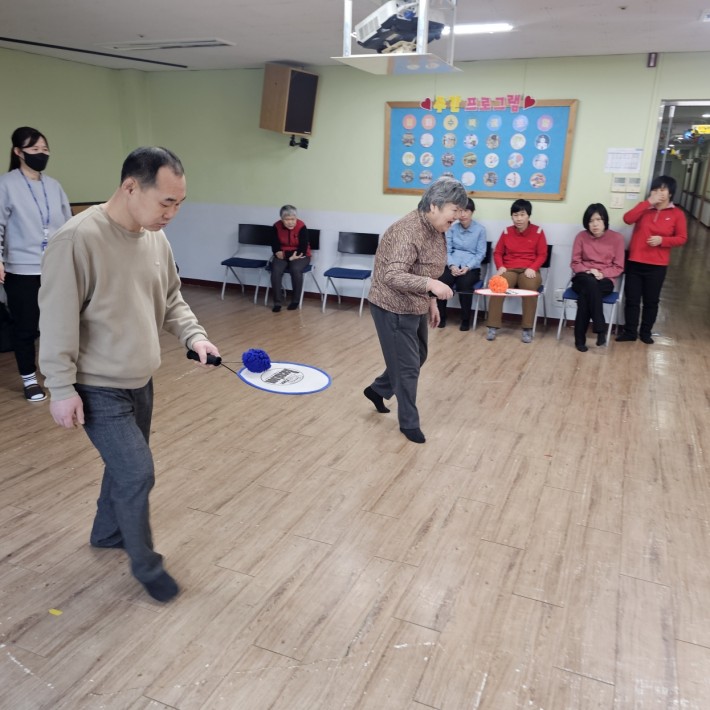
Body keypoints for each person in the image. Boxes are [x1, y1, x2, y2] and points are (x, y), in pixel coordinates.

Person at [38, 147, 221, 603]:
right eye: (166, 202)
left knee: (122, 467)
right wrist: (60, 388)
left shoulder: (155, 239)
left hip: (141, 381)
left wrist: (194, 336)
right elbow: (56, 320)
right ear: (130, 187)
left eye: (179, 203)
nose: (172, 214)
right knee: (137, 472)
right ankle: (147, 566)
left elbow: (172, 297)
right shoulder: (76, 239)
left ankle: (107, 533)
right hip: (96, 386)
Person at [364, 177, 468, 444]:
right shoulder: (407, 231)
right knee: (408, 367)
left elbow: (425, 267)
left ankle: (378, 389)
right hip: (392, 306)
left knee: (418, 355)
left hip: (415, 302)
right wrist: (431, 285)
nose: (459, 216)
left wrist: (430, 300)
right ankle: (409, 423)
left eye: (460, 210)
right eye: (454, 209)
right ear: (434, 205)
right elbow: (392, 275)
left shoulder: (435, 226)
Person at [0, 127, 72, 401]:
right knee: (26, 327)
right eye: (34, 150)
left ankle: (57, 373)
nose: (41, 154)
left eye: (44, 149)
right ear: (18, 152)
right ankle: (29, 378)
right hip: (22, 270)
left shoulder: (54, 186)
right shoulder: (6, 185)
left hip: (56, 268)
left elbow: (68, 226)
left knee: (58, 326)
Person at [617, 175, 687, 344]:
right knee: (632, 300)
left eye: (662, 189)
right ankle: (630, 332)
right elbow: (627, 219)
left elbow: (682, 238)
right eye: (655, 189)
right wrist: (648, 202)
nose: (658, 193)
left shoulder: (677, 214)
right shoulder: (644, 208)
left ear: (670, 193)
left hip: (657, 265)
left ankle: (645, 333)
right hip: (635, 261)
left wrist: (663, 240)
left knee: (651, 301)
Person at [486, 199, 547, 343]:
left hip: (529, 270)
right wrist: (500, 266)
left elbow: (542, 254)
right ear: (512, 216)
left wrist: (533, 268)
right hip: (509, 269)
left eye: (522, 215)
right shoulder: (507, 232)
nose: (518, 219)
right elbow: (498, 252)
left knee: (530, 288)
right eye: (515, 215)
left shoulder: (538, 231)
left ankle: (527, 328)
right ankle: (492, 326)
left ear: (528, 215)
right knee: (497, 285)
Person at [569, 203, 625, 351]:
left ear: (605, 220)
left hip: (605, 280)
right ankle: (600, 329)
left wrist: (602, 274)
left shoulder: (617, 238)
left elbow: (618, 267)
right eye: (591, 221)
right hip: (583, 277)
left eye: (598, 220)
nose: (594, 224)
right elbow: (575, 263)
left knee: (586, 295)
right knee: (590, 284)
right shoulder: (581, 237)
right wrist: (589, 271)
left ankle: (580, 340)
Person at [436, 197, 487, 331]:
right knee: (442, 281)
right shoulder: (451, 229)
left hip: (471, 268)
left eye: (466, 211)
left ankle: (465, 319)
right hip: (452, 265)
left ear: (472, 212)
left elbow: (480, 254)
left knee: (464, 284)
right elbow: (446, 250)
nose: (463, 214)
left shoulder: (480, 230)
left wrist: (468, 267)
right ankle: (441, 317)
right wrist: (452, 265)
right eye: (460, 211)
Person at [270, 204, 311, 312]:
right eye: (287, 219)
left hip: (300, 256)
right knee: (275, 270)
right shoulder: (276, 226)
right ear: (281, 219)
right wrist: (288, 256)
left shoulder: (301, 226)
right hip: (283, 255)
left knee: (295, 269)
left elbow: (302, 249)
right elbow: (275, 247)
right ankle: (277, 302)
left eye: (293, 219)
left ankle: (295, 301)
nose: (290, 222)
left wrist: (287, 255)